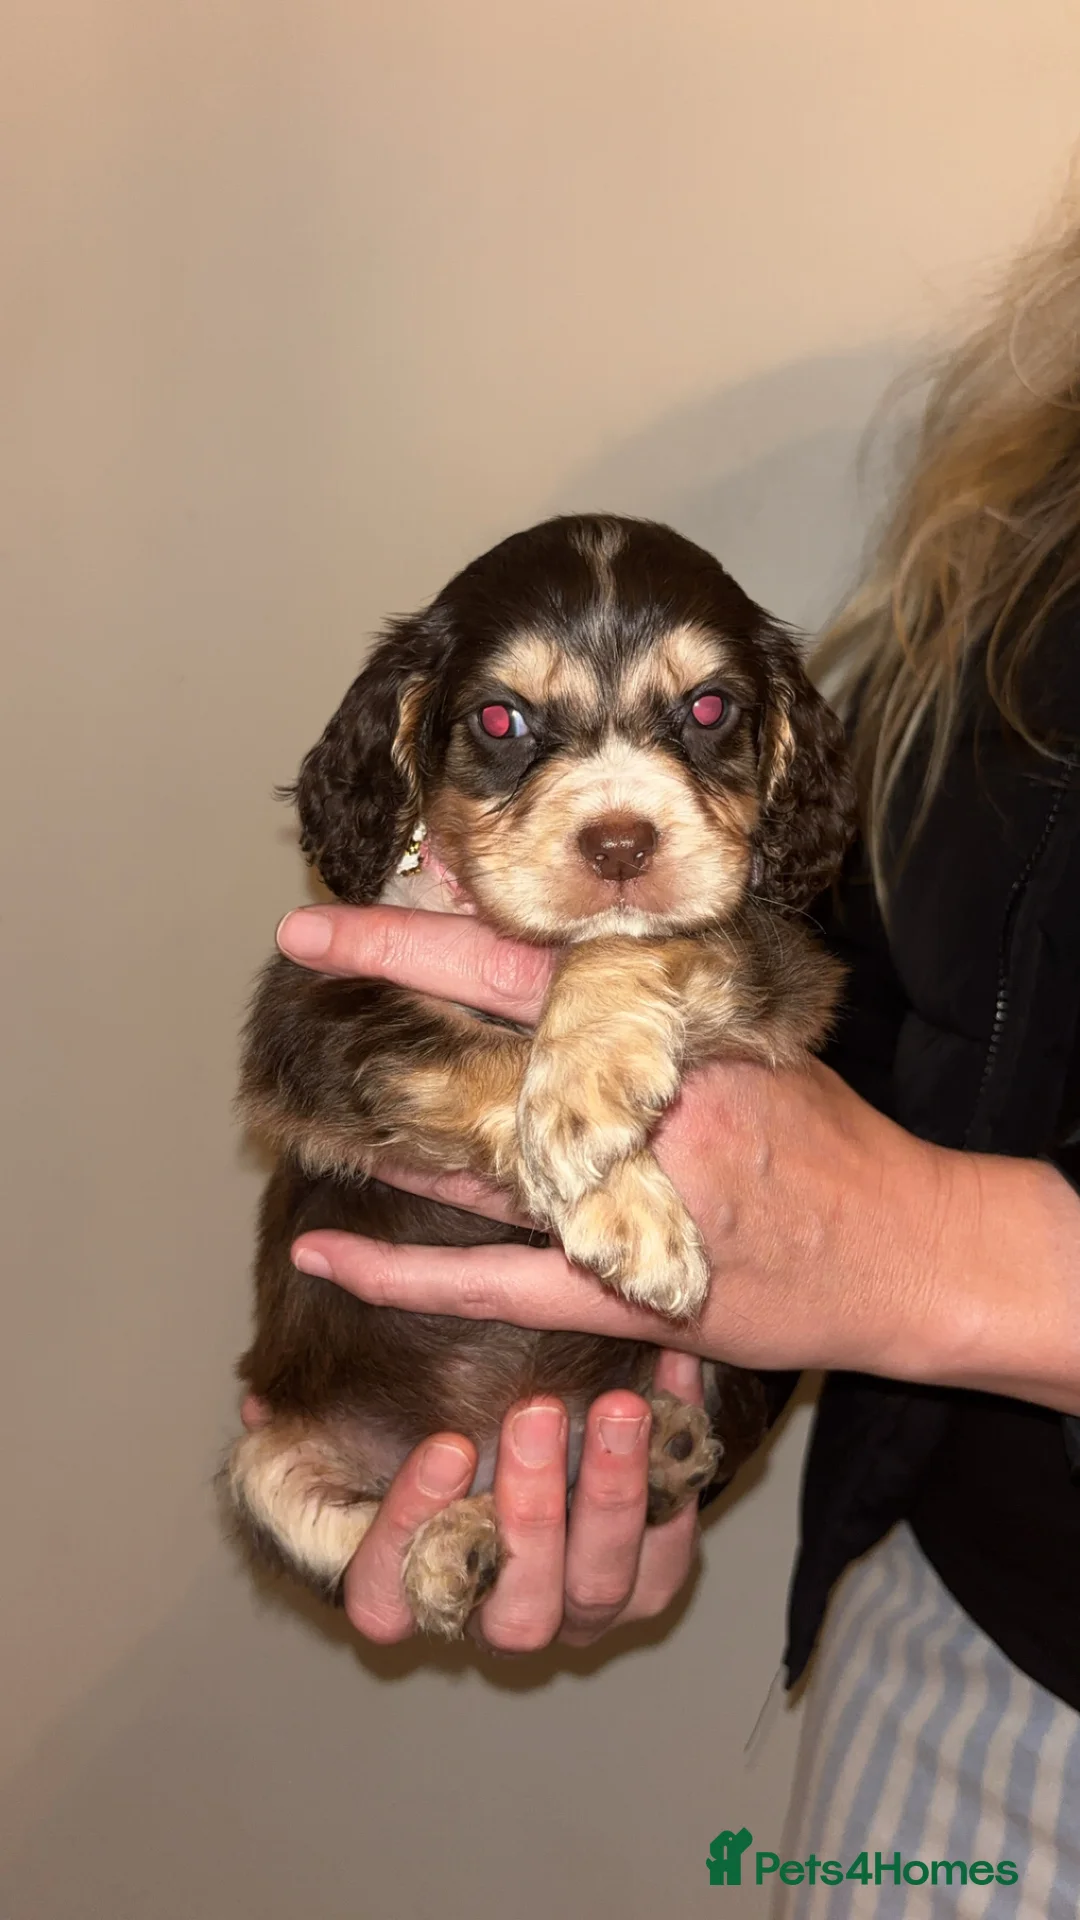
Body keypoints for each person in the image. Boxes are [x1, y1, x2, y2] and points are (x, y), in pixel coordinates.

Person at [252, 209, 1080, 1911]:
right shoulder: (1018, 534)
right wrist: (686, 1414)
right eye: (510, 726)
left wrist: (921, 1254)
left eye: (703, 721)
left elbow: (859, 1178)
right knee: (282, 1472)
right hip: (946, 1624)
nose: (621, 811)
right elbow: (880, 1059)